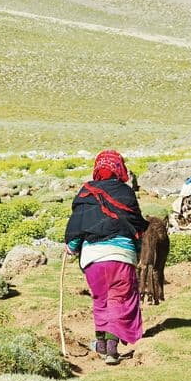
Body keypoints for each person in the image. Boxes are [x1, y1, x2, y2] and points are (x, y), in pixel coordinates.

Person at [64, 149, 147, 364]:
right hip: (121, 256)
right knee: (119, 299)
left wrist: (71, 247)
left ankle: (100, 344)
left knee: (100, 299)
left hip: (93, 258)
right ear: (120, 168)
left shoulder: (87, 192)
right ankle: (112, 348)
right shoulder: (126, 193)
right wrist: (137, 251)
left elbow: (77, 225)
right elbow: (136, 226)